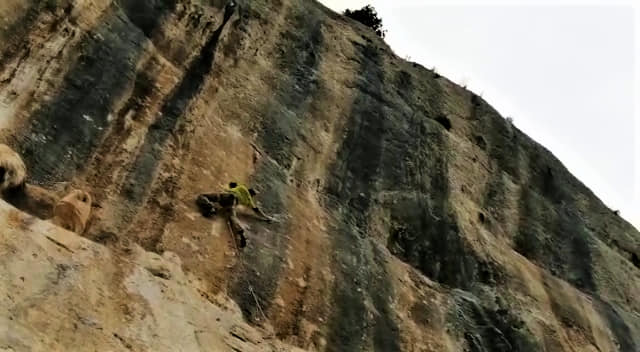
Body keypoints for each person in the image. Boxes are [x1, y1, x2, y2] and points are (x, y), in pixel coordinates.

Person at [196, 182, 273, 248]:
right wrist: (266, 218)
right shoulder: (249, 201)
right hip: (232, 204)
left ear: (248, 190)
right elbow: (257, 211)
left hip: (227, 196)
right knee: (233, 217)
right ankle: (240, 232)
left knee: (202, 196)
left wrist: (233, 187)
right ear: (252, 195)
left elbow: (232, 184)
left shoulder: (242, 187)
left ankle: (210, 207)